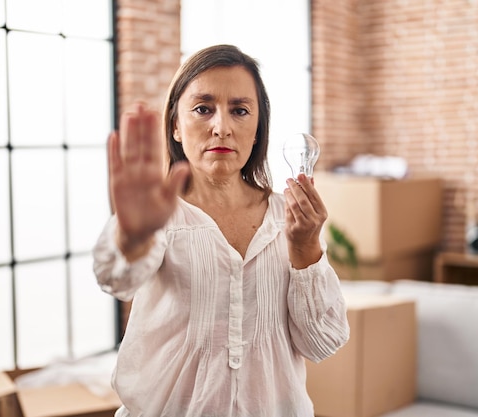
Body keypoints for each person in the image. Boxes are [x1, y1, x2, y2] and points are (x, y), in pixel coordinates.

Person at [93, 44, 350, 417]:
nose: (222, 127)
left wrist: (305, 246)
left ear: (258, 128)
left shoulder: (290, 219)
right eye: (203, 108)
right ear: (176, 126)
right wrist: (131, 240)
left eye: (240, 111)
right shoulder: (159, 215)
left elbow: (321, 342)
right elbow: (117, 280)